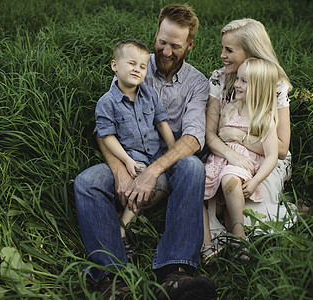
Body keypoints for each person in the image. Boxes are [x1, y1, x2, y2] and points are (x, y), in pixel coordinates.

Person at [74, 4, 216, 299]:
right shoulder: (135, 62)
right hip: (129, 157)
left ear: (190, 45)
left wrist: (153, 171)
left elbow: (192, 139)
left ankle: (175, 272)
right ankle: (112, 278)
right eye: (161, 41)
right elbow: (105, 128)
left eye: (175, 46)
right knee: (86, 183)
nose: (165, 51)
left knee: (193, 167)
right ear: (156, 34)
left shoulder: (197, 83)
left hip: (171, 160)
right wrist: (121, 172)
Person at [204, 19, 296, 245]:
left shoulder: (273, 84)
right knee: (219, 193)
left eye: (229, 50)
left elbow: (281, 148)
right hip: (225, 155)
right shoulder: (219, 78)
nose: (222, 55)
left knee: (248, 213)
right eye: (222, 48)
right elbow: (211, 134)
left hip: (265, 158)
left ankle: (238, 235)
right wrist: (230, 153)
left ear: (250, 53)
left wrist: (239, 137)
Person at [94, 39, 175, 251]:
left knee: (163, 186)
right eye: (131, 64)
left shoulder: (149, 94)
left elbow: (162, 123)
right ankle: (122, 231)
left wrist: (174, 150)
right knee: (138, 185)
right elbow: (108, 136)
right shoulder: (107, 102)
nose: (137, 70)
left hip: (155, 156)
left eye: (142, 66)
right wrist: (127, 161)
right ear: (114, 65)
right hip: (132, 156)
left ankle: (125, 216)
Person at [202, 58, 279, 261]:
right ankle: (206, 241)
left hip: (242, 166)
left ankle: (238, 238)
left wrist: (255, 181)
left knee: (230, 179)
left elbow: (271, 155)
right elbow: (218, 138)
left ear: (259, 87)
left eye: (244, 81)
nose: (236, 84)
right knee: (196, 187)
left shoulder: (263, 117)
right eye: (238, 79)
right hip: (219, 161)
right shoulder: (229, 108)